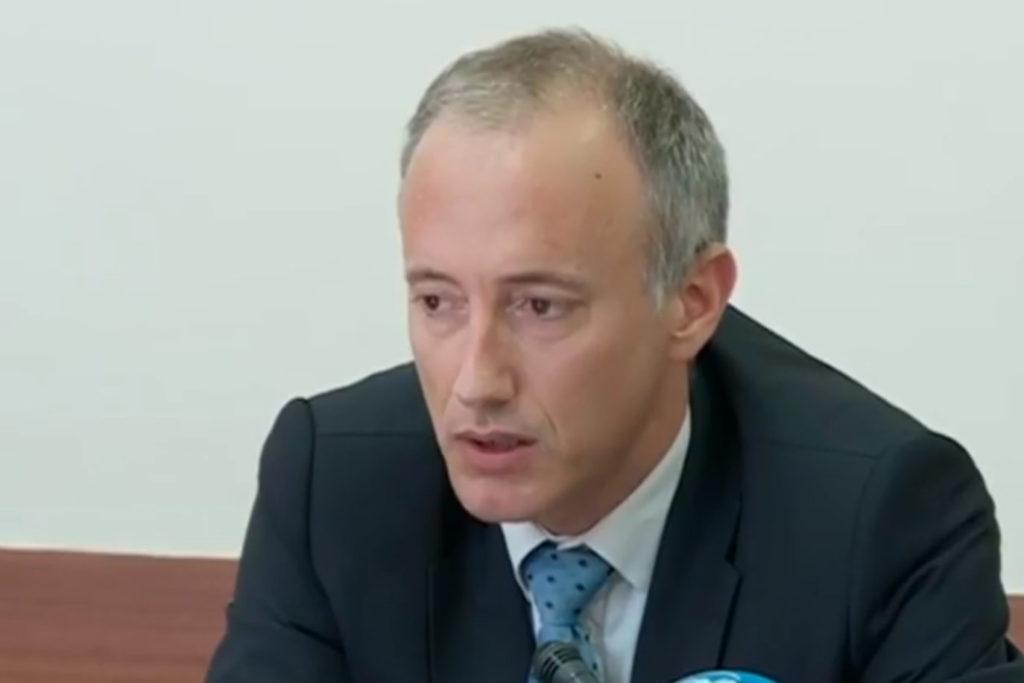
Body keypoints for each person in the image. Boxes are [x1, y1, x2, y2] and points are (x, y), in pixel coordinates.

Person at [206, 29, 1022, 682]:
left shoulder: (880, 513)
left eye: (539, 306)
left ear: (691, 301)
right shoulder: (334, 485)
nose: (476, 382)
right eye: (437, 302)